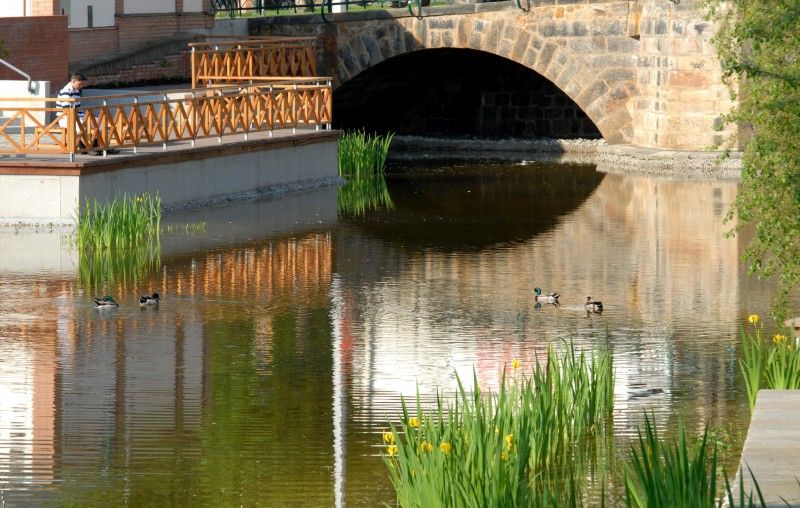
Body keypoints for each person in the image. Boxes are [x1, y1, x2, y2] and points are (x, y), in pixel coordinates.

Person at [56, 72, 118, 155]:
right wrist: (83, 120)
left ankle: (101, 147)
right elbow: (67, 111)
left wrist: (85, 118)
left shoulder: (76, 91)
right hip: (65, 118)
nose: (82, 86)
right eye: (80, 84)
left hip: (77, 116)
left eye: (82, 84)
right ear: (73, 82)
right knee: (81, 125)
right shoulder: (65, 91)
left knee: (100, 122)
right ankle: (84, 148)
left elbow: (78, 109)